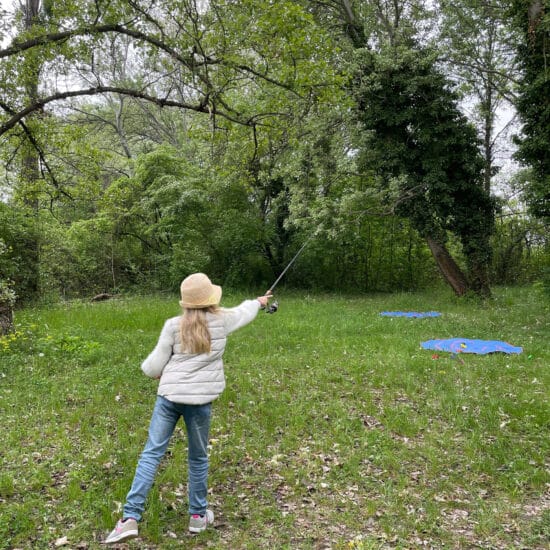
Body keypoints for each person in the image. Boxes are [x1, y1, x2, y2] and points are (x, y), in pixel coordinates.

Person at [104, 273, 271, 544]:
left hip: (169, 398)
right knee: (198, 457)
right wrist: (260, 302)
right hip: (200, 403)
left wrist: (157, 372)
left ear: (186, 302)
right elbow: (243, 311)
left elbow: (152, 366)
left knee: (151, 454)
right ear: (211, 299)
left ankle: (129, 519)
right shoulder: (222, 321)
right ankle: (197, 516)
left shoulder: (173, 325)